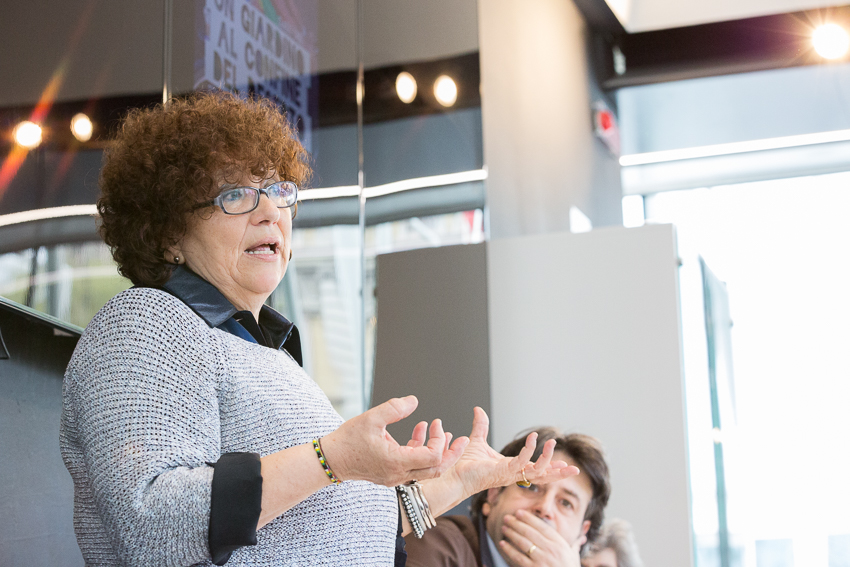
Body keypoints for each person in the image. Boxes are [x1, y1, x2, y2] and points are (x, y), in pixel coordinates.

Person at [59, 91, 579, 567]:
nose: (270, 213)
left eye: (278, 191)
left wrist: (456, 483)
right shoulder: (147, 323)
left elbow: (324, 529)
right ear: (169, 231)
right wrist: (329, 459)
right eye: (236, 195)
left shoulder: (266, 349)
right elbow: (149, 521)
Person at [404, 428, 611, 567]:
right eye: (530, 487)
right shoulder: (439, 543)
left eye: (566, 503)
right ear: (493, 494)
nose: (545, 508)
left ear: (581, 533)